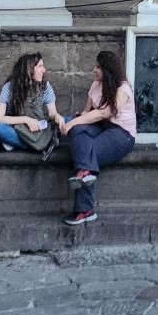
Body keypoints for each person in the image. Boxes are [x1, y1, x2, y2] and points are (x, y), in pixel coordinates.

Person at [60, 50, 137, 226]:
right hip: (100, 128)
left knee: (86, 152)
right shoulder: (95, 86)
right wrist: (77, 120)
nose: (94, 70)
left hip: (121, 134)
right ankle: (85, 178)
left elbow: (104, 113)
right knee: (79, 132)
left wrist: (71, 123)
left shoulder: (123, 89)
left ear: (107, 70)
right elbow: (87, 112)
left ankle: (84, 209)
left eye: (98, 67)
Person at [0, 52, 61, 151]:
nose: (44, 70)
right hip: (18, 128)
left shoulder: (45, 86)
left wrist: (57, 116)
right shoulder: (9, 87)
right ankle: (37, 145)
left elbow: (52, 113)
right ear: (29, 70)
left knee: (68, 120)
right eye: (40, 66)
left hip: (38, 128)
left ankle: (18, 143)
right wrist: (26, 120)